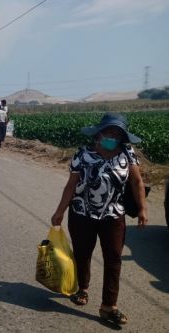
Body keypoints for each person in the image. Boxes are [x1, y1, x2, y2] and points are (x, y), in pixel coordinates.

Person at [51, 113, 148, 326]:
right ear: (99, 133)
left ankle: (108, 306)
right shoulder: (82, 155)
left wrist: (142, 209)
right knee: (83, 254)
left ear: (122, 137)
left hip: (113, 215)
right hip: (81, 213)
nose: (112, 136)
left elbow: (137, 183)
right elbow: (71, 186)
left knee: (113, 258)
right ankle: (82, 289)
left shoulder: (127, 154)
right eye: (109, 131)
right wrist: (60, 211)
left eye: (117, 133)